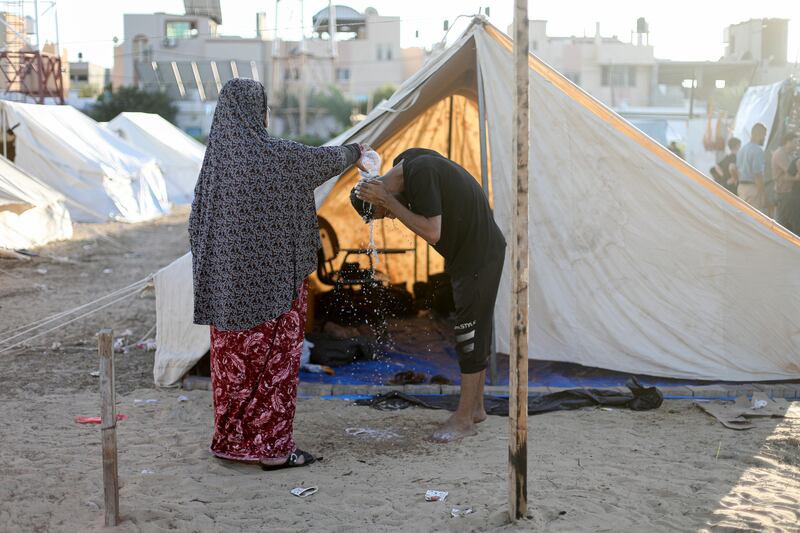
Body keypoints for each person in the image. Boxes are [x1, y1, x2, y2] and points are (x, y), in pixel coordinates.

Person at [189, 78, 368, 469]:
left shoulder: (214, 165)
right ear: (258, 111)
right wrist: (357, 151)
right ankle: (271, 451)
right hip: (273, 290)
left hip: (224, 293)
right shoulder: (274, 155)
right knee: (273, 370)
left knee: (232, 373)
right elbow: (320, 161)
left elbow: (196, 225)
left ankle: (232, 444)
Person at [351, 148, 506, 443]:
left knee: (468, 334)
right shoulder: (407, 163)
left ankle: (463, 420)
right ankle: (476, 410)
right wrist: (386, 199)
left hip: (479, 255)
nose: (391, 218)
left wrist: (388, 202)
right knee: (472, 331)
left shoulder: (418, 172)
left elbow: (432, 232)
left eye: (384, 214)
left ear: (380, 196)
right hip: (468, 256)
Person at [736, 122, 768, 210]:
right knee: (754, 219)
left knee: (743, 217)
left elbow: (737, 170)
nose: (764, 138)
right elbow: (757, 174)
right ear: (758, 134)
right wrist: (763, 194)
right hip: (752, 189)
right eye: (764, 135)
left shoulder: (742, 150)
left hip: (741, 188)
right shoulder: (758, 151)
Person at [773, 132, 800, 228]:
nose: (797, 145)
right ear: (787, 142)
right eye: (795, 142)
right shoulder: (780, 154)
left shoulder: (790, 155)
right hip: (784, 193)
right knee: (784, 223)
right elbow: (790, 171)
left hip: (790, 193)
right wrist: (796, 178)